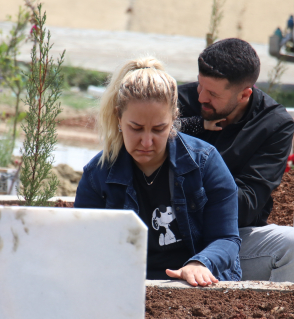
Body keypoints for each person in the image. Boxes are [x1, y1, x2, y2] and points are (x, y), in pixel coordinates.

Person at [74, 57, 241, 287]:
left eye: (159, 129)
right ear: (119, 118)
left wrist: (200, 264)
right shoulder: (97, 176)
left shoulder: (205, 162)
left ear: (174, 118)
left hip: (195, 285)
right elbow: (83, 245)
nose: (146, 141)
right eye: (136, 128)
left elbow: (226, 238)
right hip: (125, 285)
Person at [178, 38, 294, 284]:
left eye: (212, 93)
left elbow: (247, 205)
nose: (200, 97)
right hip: (168, 231)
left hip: (226, 239)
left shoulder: (274, 125)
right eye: (200, 86)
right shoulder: (179, 102)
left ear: (245, 94)